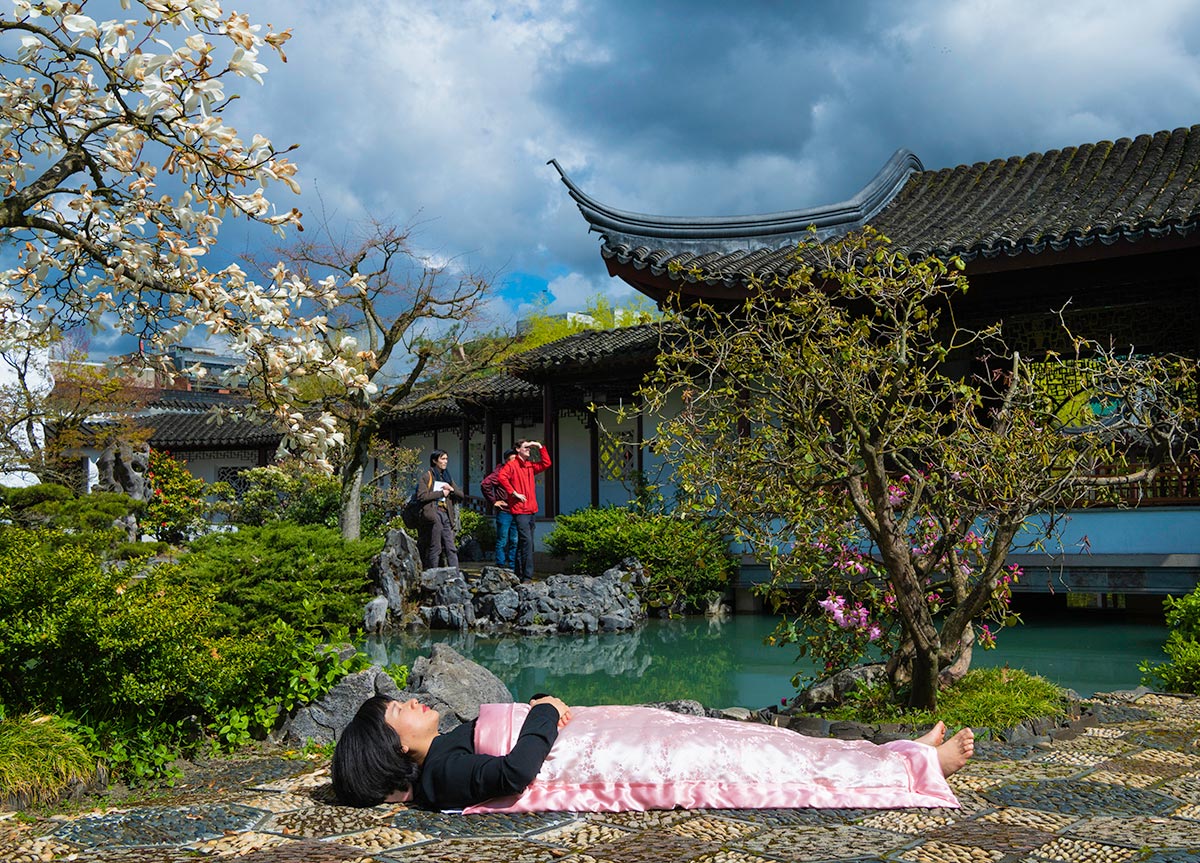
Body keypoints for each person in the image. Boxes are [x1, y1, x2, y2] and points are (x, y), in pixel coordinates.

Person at [331, 694, 974, 813]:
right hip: (610, 760)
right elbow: (515, 772)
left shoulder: (442, 750)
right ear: (394, 748)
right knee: (758, 763)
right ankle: (914, 770)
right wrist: (546, 715)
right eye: (398, 712)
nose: (413, 704)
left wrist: (538, 710)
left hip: (610, 736)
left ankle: (890, 754)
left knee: (761, 740)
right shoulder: (439, 774)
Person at [495, 439, 552, 582]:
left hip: (531, 509)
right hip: (520, 510)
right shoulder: (512, 465)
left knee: (524, 543)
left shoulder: (529, 466)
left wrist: (540, 446)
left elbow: (546, 463)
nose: (528, 449)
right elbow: (501, 477)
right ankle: (527, 576)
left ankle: (520, 573)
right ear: (518, 449)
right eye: (526, 447)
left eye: (529, 447)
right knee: (526, 542)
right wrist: (513, 493)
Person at [416, 450, 464, 570]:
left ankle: (455, 575)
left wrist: (451, 489)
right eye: (442, 459)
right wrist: (441, 493)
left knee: (451, 547)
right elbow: (421, 496)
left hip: (446, 514)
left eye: (446, 459)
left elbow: (461, 495)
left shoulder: (447, 476)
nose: (445, 462)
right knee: (435, 546)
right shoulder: (427, 476)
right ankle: (433, 574)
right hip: (433, 513)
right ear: (434, 460)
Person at [480, 449, 519, 569]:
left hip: (517, 510)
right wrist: (493, 501)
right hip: (504, 510)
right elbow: (485, 484)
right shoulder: (500, 472)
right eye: (513, 460)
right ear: (507, 461)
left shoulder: (518, 471)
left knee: (515, 540)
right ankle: (500, 565)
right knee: (502, 539)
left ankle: (512, 566)